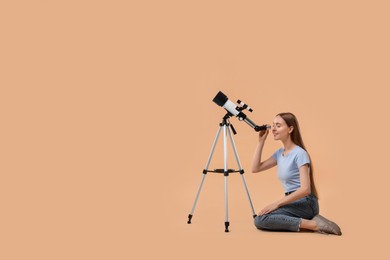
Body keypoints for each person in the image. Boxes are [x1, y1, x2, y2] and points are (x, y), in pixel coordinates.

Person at [251, 112, 342, 235]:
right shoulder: (280, 153)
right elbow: (255, 168)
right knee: (261, 218)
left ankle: (314, 225)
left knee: (260, 220)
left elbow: (305, 189)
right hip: (292, 201)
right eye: (273, 125)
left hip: (306, 203)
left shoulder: (299, 153)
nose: (273, 129)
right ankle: (311, 221)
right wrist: (261, 141)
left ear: (290, 129)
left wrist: (276, 204)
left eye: (278, 125)